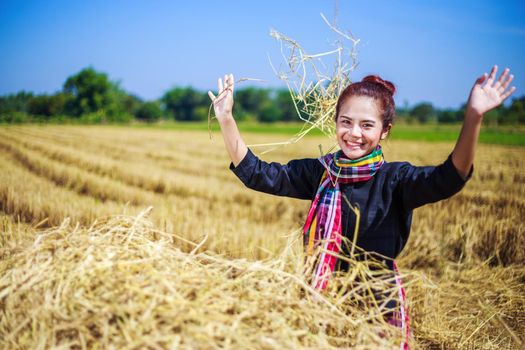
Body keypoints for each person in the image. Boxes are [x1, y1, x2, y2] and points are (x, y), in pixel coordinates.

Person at [207, 66, 515, 348]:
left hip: (378, 310)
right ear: (336, 123)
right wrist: (226, 120)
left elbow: (450, 177)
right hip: (322, 303)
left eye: (367, 125)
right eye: (346, 122)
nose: (354, 133)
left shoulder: (395, 180)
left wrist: (474, 116)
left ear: (385, 131)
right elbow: (259, 175)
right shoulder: (321, 173)